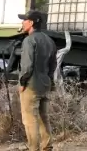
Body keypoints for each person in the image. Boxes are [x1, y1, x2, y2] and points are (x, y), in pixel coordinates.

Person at [18, 10, 57, 151]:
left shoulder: (29, 40)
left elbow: (27, 66)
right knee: (43, 117)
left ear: (31, 23)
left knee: (29, 119)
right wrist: (49, 79)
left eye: (24, 20)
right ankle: (47, 146)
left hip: (31, 85)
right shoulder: (49, 40)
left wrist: (22, 83)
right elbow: (53, 64)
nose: (22, 22)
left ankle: (33, 148)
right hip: (45, 84)